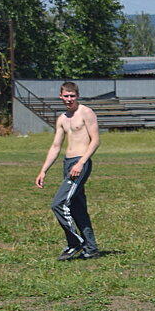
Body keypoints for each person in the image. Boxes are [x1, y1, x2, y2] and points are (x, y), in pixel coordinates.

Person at [35, 81, 100, 260]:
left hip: (81, 163)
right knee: (77, 207)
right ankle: (91, 248)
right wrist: (43, 171)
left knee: (58, 203)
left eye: (72, 96)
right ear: (61, 96)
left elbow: (95, 140)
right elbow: (56, 146)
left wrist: (81, 163)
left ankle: (74, 243)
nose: (69, 99)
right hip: (67, 163)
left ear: (77, 96)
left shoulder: (86, 113)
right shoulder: (62, 118)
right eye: (66, 96)